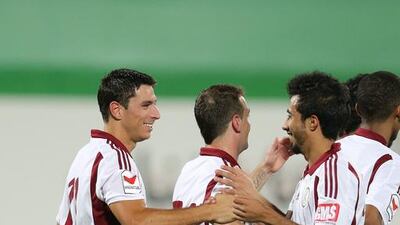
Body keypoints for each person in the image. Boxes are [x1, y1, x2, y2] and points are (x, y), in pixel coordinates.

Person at [56, 69, 235, 225]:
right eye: (146, 105)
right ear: (117, 110)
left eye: (154, 104)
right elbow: (138, 220)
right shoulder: (115, 160)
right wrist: (211, 211)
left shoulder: (87, 153)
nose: (156, 114)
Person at [215, 71, 365, 224]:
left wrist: (263, 213)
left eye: (290, 116)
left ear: (312, 123)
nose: (285, 125)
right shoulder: (315, 172)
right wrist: (257, 195)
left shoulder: (334, 174)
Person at [172, 84, 292, 225]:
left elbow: (238, 197)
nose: (249, 125)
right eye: (247, 117)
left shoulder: (190, 169)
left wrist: (266, 168)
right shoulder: (224, 174)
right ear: (236, 122)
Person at [337, 71, 400, 225]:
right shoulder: (389, 162)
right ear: (398, 111)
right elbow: (371, 220)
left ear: (358, 110)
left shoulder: (331, 150)